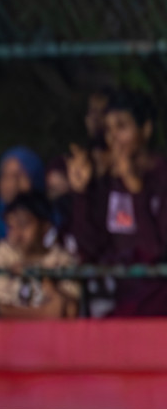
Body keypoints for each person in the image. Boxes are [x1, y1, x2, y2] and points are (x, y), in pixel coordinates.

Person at [66, 90, 167, 316]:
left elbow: (153, 252)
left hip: (158, 305)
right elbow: (88, 249)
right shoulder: (108, 181)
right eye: (109, 130)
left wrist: (136, 191)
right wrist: (81, 193)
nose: (113, 138)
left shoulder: (161, 177)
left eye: (122, 127)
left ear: (146, 129)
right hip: (117, 301)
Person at [0, 191, 81, 319]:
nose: (15, 235)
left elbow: (68, 310)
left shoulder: (62, 260)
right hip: (10, 337)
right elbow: (2, 308)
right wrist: (44, 314)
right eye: (11, 226)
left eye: (23, 225)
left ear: (45, 227)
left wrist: (42, 277)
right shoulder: (4, 253)